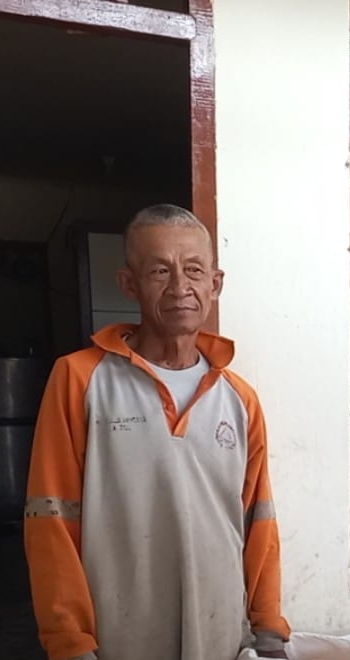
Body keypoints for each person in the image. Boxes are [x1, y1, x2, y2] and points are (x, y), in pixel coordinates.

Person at [24, 204, 291, 660]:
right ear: (129, 284)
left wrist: (268, 628)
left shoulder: (239, 399)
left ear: (215, 284)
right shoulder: (79, 380)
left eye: (194, 270)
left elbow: (258, 522)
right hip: (119, 636)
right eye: (159, 271)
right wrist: (69, 641)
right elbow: (50, 521)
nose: (180, 287)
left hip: (220, 633)